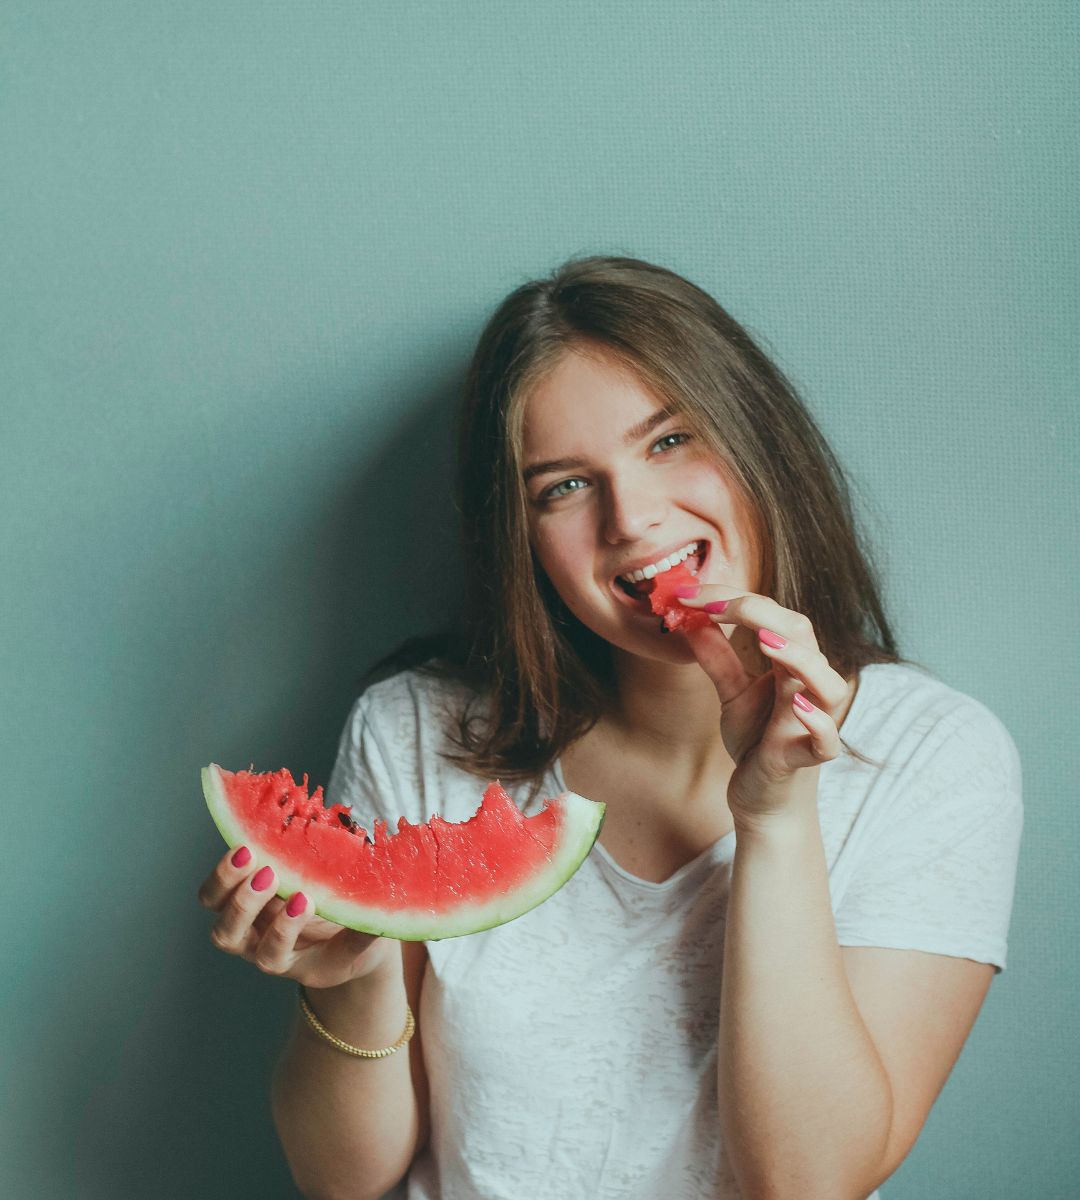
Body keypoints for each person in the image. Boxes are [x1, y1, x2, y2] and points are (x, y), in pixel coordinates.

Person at [197, 255, 1023, 1200]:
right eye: (563, 488)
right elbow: (341, 1181)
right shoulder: (413, 729)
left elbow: (805, 1183)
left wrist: (779, 816)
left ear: (759, 441)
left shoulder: (935, 756)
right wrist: (348, 978)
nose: (632, 519)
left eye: (670, 441)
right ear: (521, 534)